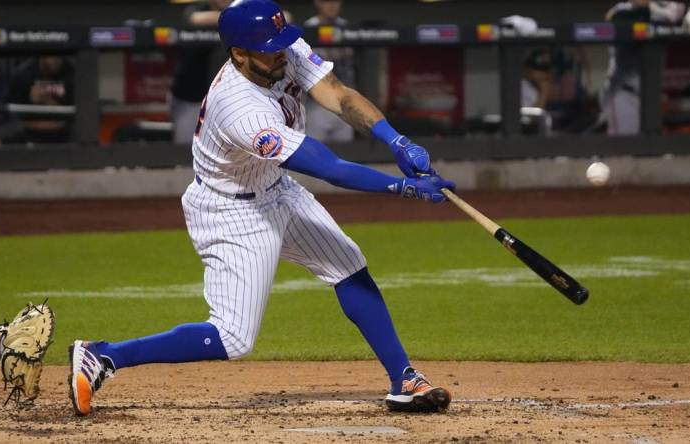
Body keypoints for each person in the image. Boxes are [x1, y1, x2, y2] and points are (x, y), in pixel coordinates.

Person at [68, 0, 455, 417]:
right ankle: (103, 355)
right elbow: (329, 167)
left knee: (348, 266)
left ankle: (404, 378)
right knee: (234, 337)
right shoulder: (239, 108)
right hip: (231, 211)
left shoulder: (279, 48)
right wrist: (405, 188)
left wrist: (396, 140)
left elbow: (338, 95)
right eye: (269, 48)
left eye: (280, 41)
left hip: (275, 187)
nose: (280, 52)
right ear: (239, 53)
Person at [602, 0, 690, 135]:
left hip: (650, 96)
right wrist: (656, 11)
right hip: (623, 92)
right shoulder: (620, 10)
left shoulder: (661, 9)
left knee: (649, 149)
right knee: (625, 148)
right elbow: (617, 19)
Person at [170, 0, 232, 144]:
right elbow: (193, 18)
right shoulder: (197, 8)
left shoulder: (244, 8)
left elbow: (286, 16)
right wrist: (239, 17)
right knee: (185, 151)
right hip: (191, 97)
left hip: (227, 101)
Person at [303, 0, 355, 142]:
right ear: (318, 3)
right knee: (314, 155)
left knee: (345, 152)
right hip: (316, 104)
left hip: (343, 104)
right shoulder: (309, 27)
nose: (332, 5)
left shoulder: (346, 27)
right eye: (327, 1)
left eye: (335, 1)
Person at [8, 55, 75, 144]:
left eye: (58, 57)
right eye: (51, 57)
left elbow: (73, 118)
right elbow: (14, 119)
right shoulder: (24, 74)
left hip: (65, 139)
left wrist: (46, 101)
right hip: (28, 138)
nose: (54, 62)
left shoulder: (72, 73)